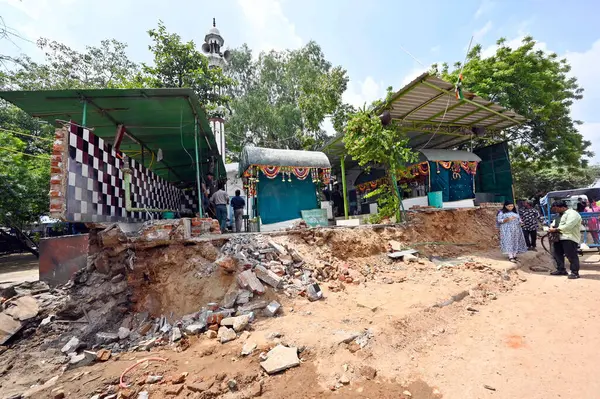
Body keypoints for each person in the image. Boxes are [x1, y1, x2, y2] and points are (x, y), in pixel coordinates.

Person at [549, 200, 582, 279]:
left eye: (556, 209)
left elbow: (568, 226)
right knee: (557, 253)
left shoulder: (573, 214)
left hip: (569, 237)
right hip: (559, 238)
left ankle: (575, 272)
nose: (555, 211)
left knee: (571, 255)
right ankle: (561, 270)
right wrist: (551, 227)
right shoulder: (559, 215)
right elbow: (554, 223)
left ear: (563, 207)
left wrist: (556, 230)